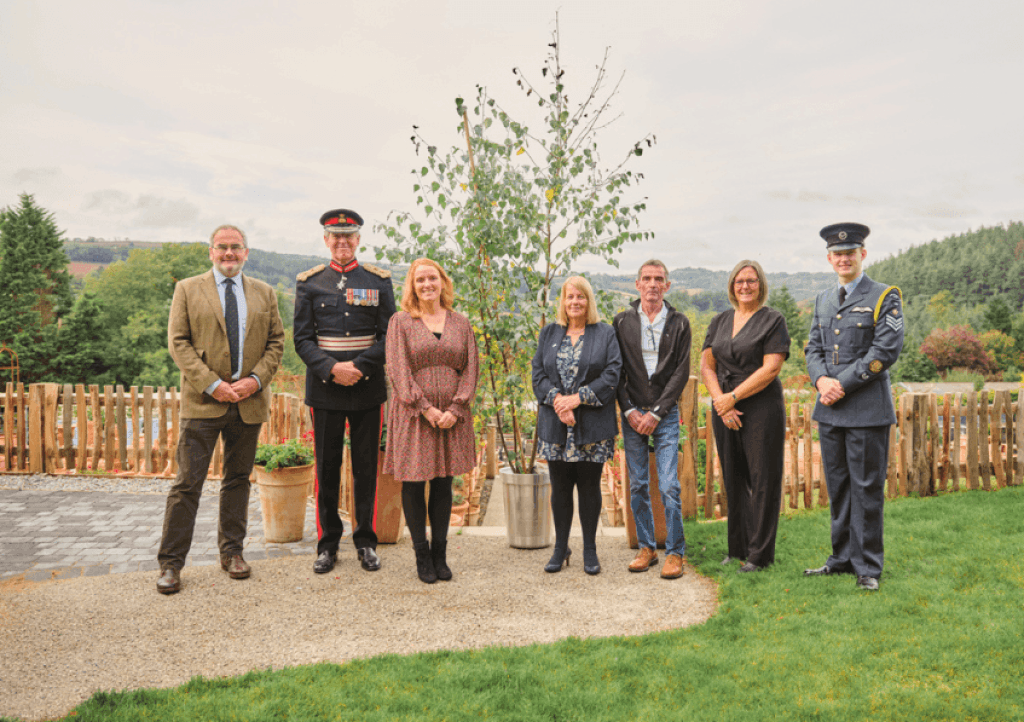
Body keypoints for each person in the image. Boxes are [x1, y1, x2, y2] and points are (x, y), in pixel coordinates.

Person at [156, 225, 285, 594]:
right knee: (186, 484)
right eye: (222, 248)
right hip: (202, 403)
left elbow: (276, 343)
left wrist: (254, 381)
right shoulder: (187, 289)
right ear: (210, 252)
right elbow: (178, 343)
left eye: (236, 248)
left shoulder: (265, 293)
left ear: (247, 252)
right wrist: (213, 384)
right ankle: (171, 564)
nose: (229, 254)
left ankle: (232, 553)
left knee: (237, 482)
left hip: (249, 403)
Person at [294, 209, 396, 574]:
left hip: (367, 388)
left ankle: (366, 541)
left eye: (349, 236)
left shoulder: (378, 281)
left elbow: (390, 336)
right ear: (326, 240)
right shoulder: (310, 282)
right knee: (327, 467)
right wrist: (332, 369)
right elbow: (302, 339)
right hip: (325, 389)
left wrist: (359, 367)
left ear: (358, 240)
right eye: (335, 237)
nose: (342, 242)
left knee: (367, 468)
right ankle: (327, 545)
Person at [804, 223, 903, 591]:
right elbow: (812, 348)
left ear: (863, 254)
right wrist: (820, 381)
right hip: (830, 410)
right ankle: (841, 558)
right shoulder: (823, 300)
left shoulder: (884, 295)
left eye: (850, 253)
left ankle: (868, 568)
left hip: (866, 410)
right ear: (830, 259)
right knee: (840, 487)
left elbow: (884, 352)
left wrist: (839, 384)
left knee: (866, 488)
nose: (844, 259)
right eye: (837, 254)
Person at [383, 258, 479, 584]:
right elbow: (398, 369)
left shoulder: (461, 322)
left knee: (442, 481)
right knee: (413, 482)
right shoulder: (401, 321)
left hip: (452, 415)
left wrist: (455, 408)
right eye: (420, 279)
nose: (427, 285)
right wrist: (425, 407)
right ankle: (421, 556)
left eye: (432, 279)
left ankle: (440, 553)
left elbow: (470, 369)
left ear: (443, 282)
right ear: (412, 285)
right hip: (414, 414)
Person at [700, 260, 790, 573]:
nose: (745, 286)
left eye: (751, 281)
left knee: (763, 479)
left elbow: (772, 367)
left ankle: (759, 555)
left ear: (760, 285)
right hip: (723, 405)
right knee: (733, 478)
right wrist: (720, 402)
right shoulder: (720, 320)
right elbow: (707, 365)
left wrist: (733, 397)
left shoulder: (772, 319)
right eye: (739, 281)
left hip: (761, 406)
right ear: (732, 286)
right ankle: (736, 548)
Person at [532, 276, 621, 575]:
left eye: (580, 297)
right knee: (559, 488)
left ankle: (590, 550)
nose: (575, 302)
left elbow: (612, 374)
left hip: (592, 428)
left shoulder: (605, 333)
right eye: (570, 297)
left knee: (588, 487)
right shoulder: (549, 333)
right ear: (563, 301)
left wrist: (577, 400)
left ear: (588, 301)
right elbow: (537, 376)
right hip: (556, 427)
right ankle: (560, 548)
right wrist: (559, 401)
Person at [613, 260, 692, 580]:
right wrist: (630, 411)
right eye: (646, 279)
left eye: (659, 279)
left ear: (667, 286)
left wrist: (657, 412)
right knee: (638, 484)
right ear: (637, 284)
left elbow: (681, 372)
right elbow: (615, 370)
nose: (653, 284)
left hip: (666, 415)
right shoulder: (621, 322)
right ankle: (647, 548)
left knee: (670, 485)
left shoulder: (680, 322)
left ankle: (675, 552)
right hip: (632, 414)